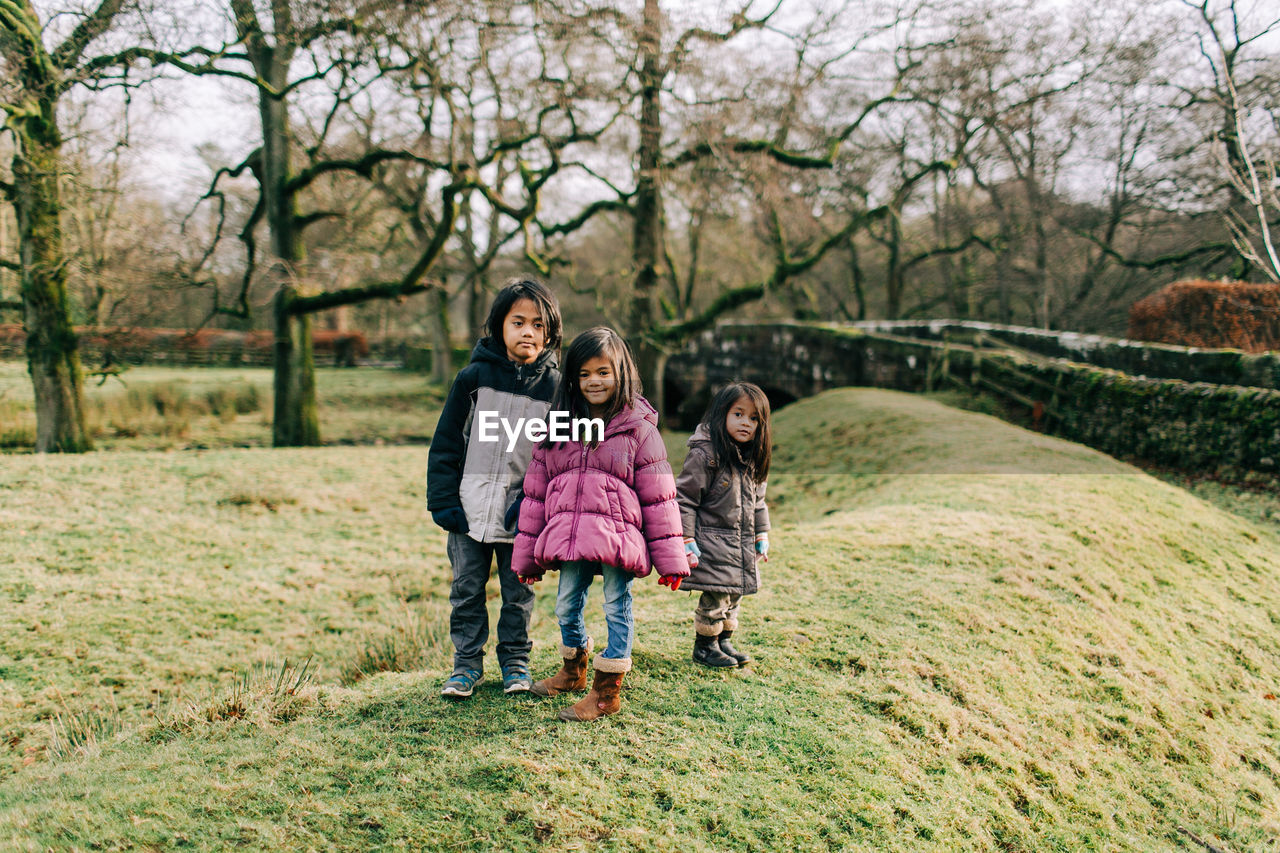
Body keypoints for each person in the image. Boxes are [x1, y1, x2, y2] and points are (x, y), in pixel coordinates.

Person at [511, 327, 688, 722]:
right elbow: (536, 495)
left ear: (621, 373)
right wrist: (526, 558)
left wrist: (672, 558)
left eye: (603, 372)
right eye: (585, 373)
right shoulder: (557, 428)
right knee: (565, 605)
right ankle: (574, 669)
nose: (594, 381)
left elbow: (660, 497)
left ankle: (607, 692)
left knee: (615, 604)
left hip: (619, 539)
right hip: (570, 538)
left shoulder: (640, 431)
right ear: (573, 378)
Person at [426, 277, 562, 699]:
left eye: (538, 325)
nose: (528, 332)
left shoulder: (556, 390)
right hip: (468, 511)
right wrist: (444, 500)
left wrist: (540, 509)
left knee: (517, 594)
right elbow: (446, 441)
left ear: (550, 332)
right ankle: (466, 666)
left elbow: (558, 457)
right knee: (466, 589)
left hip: (522, 517)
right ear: (499, 326)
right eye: (518, 322)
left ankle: (516, 663)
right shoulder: (473, 379)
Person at [674, 382, 772, 668]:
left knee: (734, 594)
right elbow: (686, 499)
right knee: (715, 598)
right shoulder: (706, 455)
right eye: (738, 414)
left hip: (740, 542)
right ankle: (705, 646)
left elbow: (758, 502)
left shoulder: (752, 458)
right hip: (712, 544)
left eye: (754, 418)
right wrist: (686, 536)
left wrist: (762, 532)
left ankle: (724, 640)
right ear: (722, 415)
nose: (746, 423)